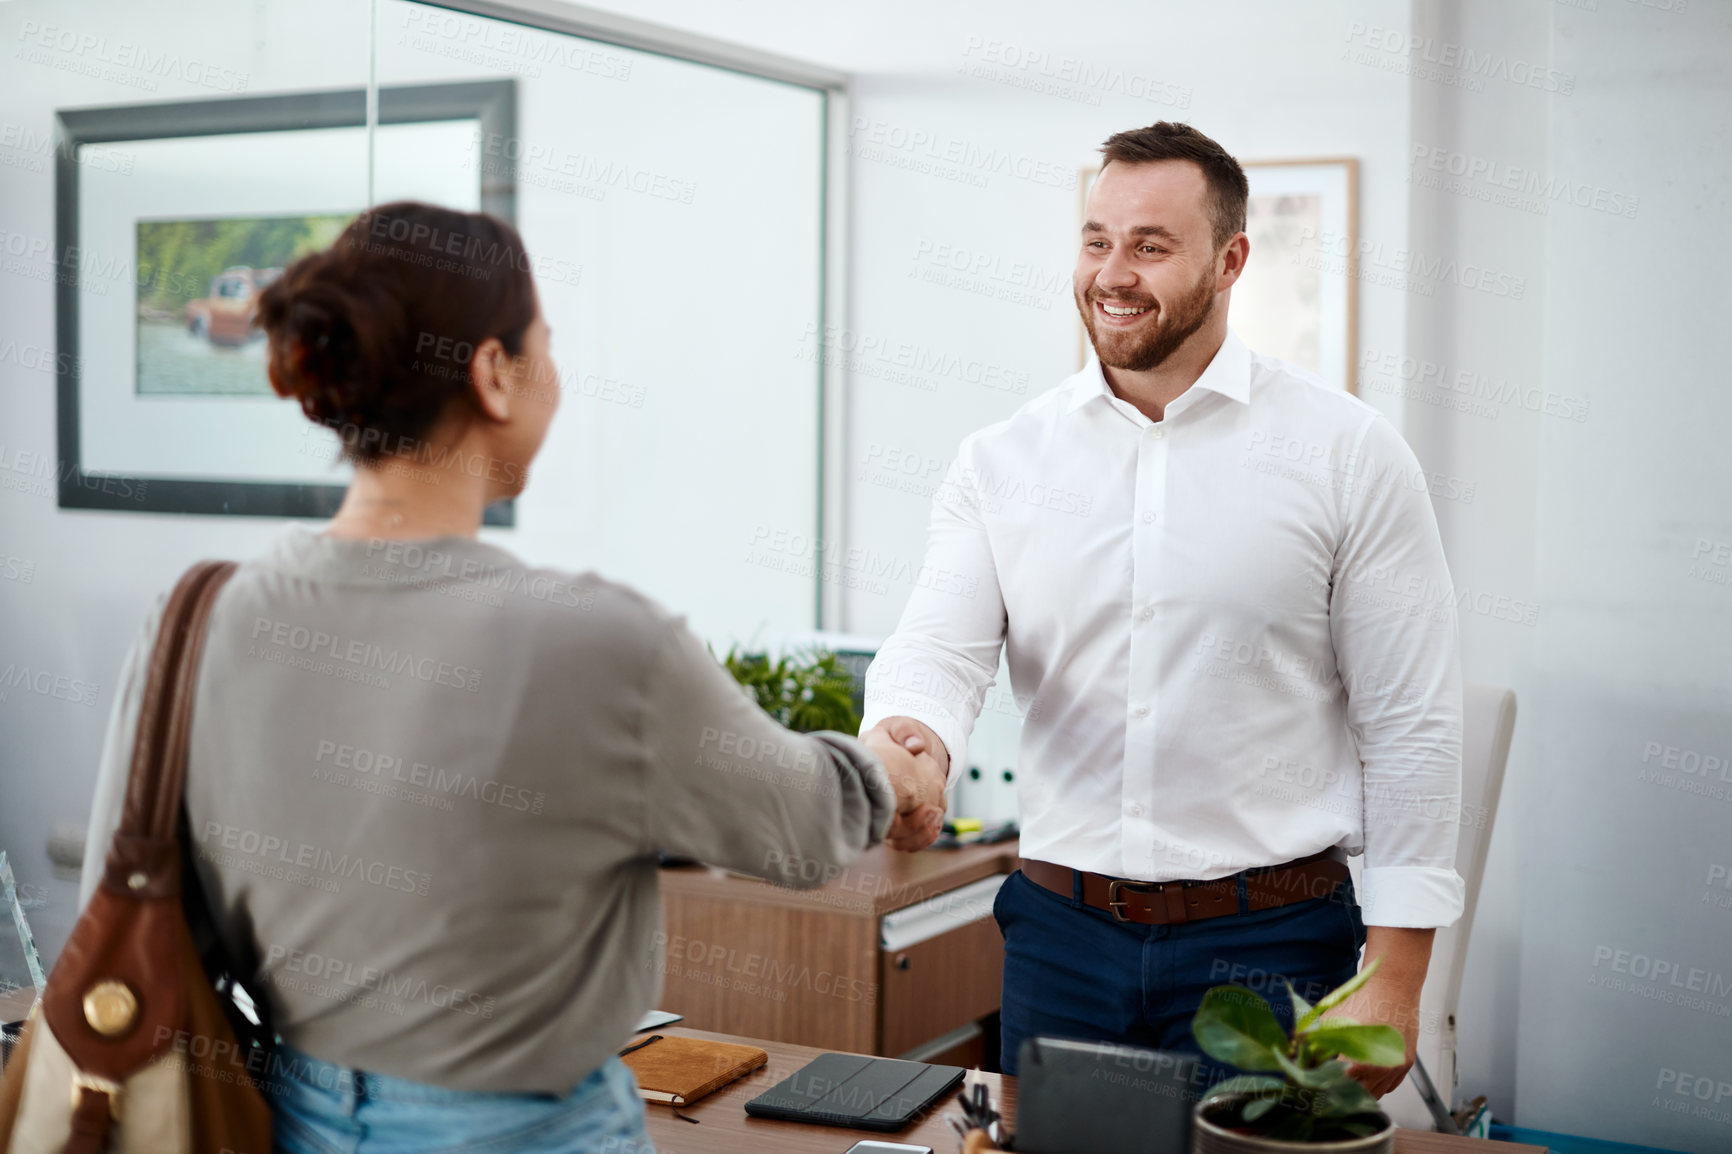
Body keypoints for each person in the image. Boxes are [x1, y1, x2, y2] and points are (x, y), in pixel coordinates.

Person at [77, 201, 947, 1154]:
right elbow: (800, 829)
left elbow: (123, 905)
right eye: (546, 347)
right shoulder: (597, 640)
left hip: (282, 1113)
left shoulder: (197, 618)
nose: (557, 378)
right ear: (493, 373)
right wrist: (886, 770)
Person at [860, 122, 1465, 1096]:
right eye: (1097, 239)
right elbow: (939, 645)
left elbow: (1410, 723)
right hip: (1059, 939)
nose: (1112, 271)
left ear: (1230, 260)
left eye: (1149, 244)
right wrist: (911, 738)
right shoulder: (1000, 461)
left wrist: (1396, 970)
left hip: (1272, 943)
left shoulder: (1347, 451)